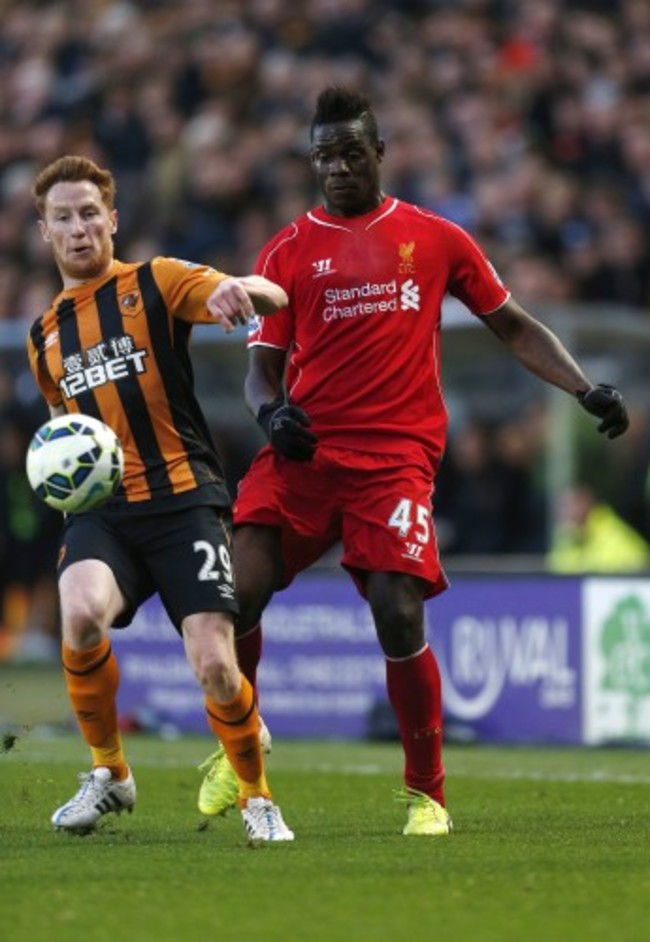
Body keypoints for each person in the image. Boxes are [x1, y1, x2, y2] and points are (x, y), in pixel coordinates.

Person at [197, 87, 629, 837]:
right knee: (234, 596)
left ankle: (427, 794)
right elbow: (260, 370)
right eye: (323, 155)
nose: (335, 167)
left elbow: (514, 325)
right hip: (306, 455)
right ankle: (243, 749)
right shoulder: (286, 250)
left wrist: (584, 387)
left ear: (380, 153)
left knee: (398, 610)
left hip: (394, 459)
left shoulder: (435, 239)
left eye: (350, 153)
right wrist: (272, 414)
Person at [26, 155, 294, 844]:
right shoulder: (43, 336)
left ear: (112, 219)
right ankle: (110, 773)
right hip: (104, 512)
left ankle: (258, 798)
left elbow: (267, 294)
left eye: (90, 213)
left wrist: (240, 290)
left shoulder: (156, 281)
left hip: (182, 501)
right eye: (64, 217)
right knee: (79, 613)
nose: (79, 228)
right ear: (45, 231)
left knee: (213, 663)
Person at [547, 483, 650, 573]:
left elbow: (640, 568)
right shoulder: (565, 538)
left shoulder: (613, 533)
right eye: (564, 506)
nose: (567, 512)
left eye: (572, 505)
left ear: (587, 503)